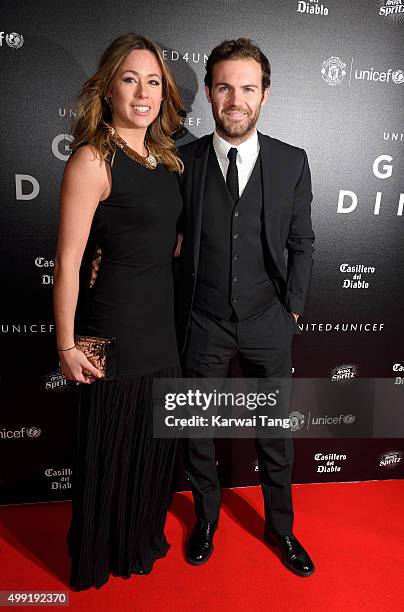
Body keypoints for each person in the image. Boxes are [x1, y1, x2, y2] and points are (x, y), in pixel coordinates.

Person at [176, 38, 315, 576]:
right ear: (210, 93)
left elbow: (303, 243)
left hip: (268, 322)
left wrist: (293, 312)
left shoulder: (291, 161)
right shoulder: (183, 163)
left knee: (275, 436)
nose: (236, 99)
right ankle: (206, 519)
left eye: (248, 88)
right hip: (202, 322)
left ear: (265, 95)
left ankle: (281, 529)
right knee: (197, 430)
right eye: (225, 87)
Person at [53, 33, 184, 591]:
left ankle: (138, 541)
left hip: (163, 330)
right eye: (130, 79)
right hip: (113, 331)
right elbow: (66, 263)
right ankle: (100, 554)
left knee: (152, 451)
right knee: (110, 452)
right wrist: (66, 344)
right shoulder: (92, 159)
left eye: (153, 81)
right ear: (107, 88)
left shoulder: (169, 160)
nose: (143, 92)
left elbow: (163, 242)